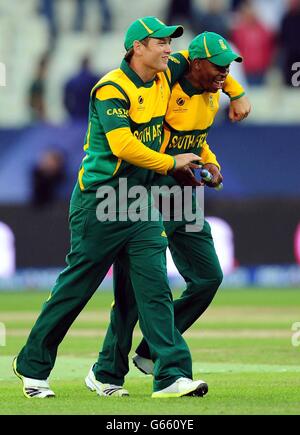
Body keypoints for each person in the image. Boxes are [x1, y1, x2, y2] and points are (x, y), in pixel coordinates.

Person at [13, 16, 211, 400]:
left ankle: (169, 375)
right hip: (101, 200)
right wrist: (173, 163)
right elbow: (123, 147)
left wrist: (237, 95)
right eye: (161, 43)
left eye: (170, 44)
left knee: (153, 289)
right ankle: (32, 365)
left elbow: (207, 62)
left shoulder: (164, 74)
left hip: (138, 202)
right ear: (138, 47)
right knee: (76, 288)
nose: (170, 50)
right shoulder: (110, 89)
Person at [91, 32, 250, 387]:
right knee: (134, 292)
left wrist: (211, 163)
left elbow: (196, 139)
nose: (225, 73)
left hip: (183, 197)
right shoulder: (168, 78)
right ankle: (107, 373)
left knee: (209, 276)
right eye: (219, 66)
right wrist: (237, 92)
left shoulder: (212, 93)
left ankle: (149, 351)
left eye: (229, 68)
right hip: (145, 190)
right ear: (195, 64)